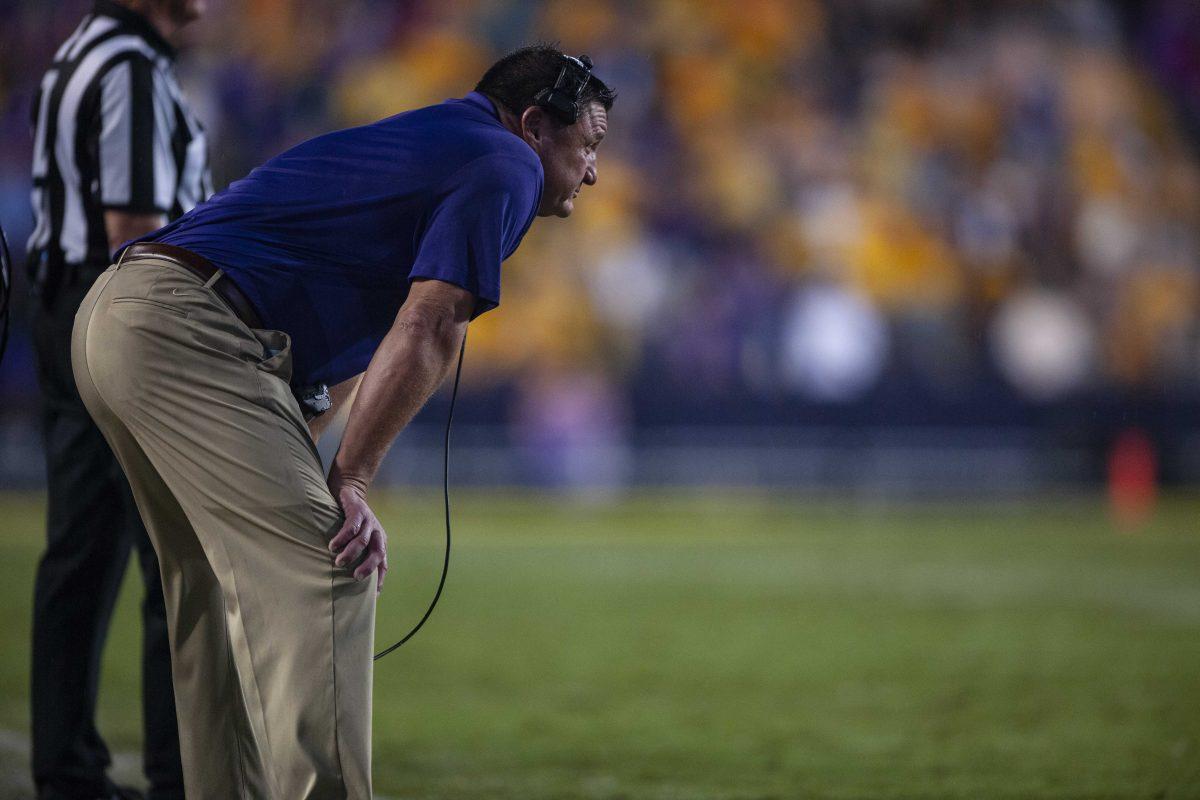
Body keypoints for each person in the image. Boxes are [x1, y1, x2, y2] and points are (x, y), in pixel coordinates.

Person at [71, 45, 614, 798]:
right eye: (587, 145)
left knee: (214, 591)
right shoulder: (507, 163)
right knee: (335, 565)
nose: (592, 172)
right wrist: (350, 480)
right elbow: (430, 324)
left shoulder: (441, 140)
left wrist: (320, 444)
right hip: (190, 333)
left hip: (131, 317)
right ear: (533, 124)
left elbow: (354, 320)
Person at [27, 1, 210, 797]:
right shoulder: (132, 71)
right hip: (122, 312)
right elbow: (136, 227)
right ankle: (179, 774)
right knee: (173, 552)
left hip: (66, 306)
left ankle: (65, 767)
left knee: (80, 552)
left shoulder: (83, 52)